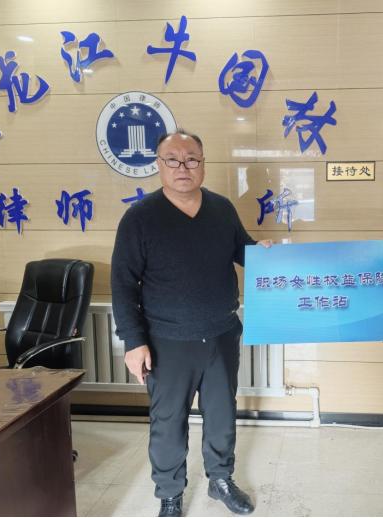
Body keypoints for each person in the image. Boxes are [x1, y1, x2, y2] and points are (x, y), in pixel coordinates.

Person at [111, 129, 271, 517]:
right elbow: (123, 284)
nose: (183, 167)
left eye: (191, 159)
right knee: (168, 422)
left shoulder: (221, 209)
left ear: (203, 164)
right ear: (159, 165)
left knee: (222, 414)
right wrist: (134, 342)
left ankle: (220, 479)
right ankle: (170, 494)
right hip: (166, 340)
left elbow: (244, 252)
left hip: (221, 334)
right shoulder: (139, 218)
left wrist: (264, 254)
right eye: (173, 159)